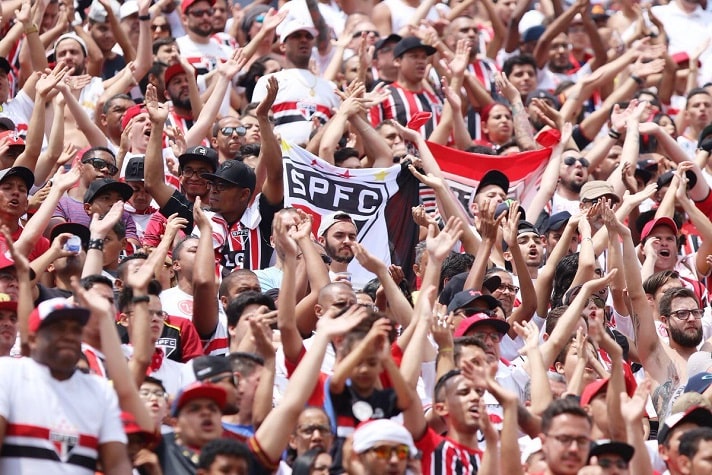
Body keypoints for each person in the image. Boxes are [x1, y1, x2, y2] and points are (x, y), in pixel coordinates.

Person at [0, 297, 132, 473]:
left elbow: (117, 465)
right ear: (32, 339)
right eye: (59, 328)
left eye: (76, 330)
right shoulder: (7, 373)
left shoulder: (100, 390)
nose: (69, 336)